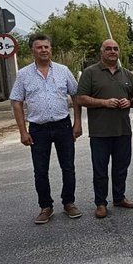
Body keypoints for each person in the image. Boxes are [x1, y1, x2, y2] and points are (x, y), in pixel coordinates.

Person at [10, 34, 83, 224]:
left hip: (63, 125)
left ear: (51, 49)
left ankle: (69, 202)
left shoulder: (63, 71)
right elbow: (16, 102)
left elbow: (76, 96)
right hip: (38, 129)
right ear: (32, 50)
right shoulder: (23, 75)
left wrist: (78, 122)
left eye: (46, 47)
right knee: (40, 170)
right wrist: (22, 131)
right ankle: (46, 206)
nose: (43, 50)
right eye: (39, 47)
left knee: (68, 167)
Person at [76, 39, 133, 218]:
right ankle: (101, 203)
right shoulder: (90, 73)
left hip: (123, 130)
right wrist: (104, 103)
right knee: (100, 170)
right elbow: (80, 98)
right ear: (101, 52)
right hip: (100, 132)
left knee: (121, 167)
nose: (112, 52)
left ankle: (119, 198)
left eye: (115, 49)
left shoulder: (126, 74)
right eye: (108, 49)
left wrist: (130, 101)